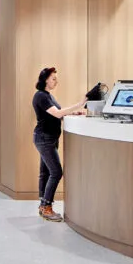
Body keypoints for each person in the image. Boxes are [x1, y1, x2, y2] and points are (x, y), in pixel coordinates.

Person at [32, 67, 87, 222]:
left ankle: (43, 205)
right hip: (45, 138)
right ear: (45, 80)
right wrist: (80, 104)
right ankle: (47, 207)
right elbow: (57, 113)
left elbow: (58, 112)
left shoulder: (47, 95)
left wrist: (73, 113)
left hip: (47, 138)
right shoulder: (41, 96)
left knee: (45, 172)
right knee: (56, 172)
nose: (56, 81)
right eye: (53, 78)